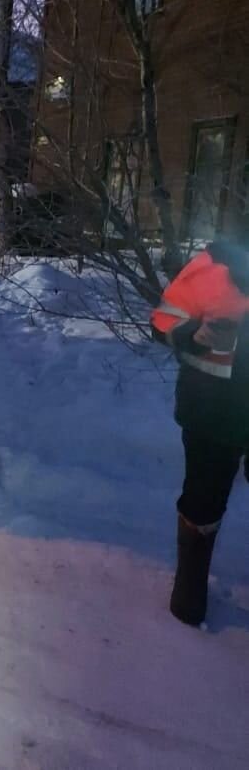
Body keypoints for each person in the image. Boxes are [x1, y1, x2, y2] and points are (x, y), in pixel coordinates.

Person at [151, 239, 249, 627]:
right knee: (203, 503)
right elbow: (162, 319)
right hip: (212, 411)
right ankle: (188, 596)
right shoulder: (212, 265)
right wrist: (193, 332)